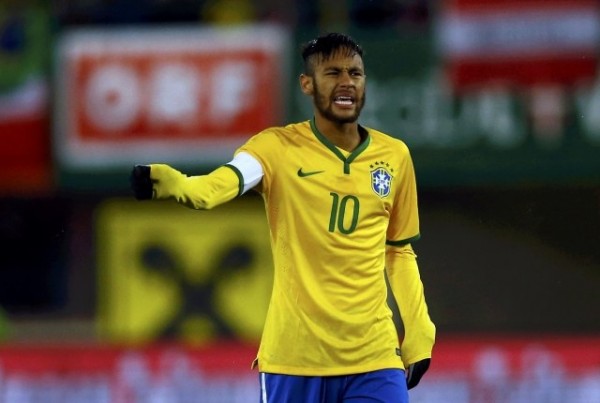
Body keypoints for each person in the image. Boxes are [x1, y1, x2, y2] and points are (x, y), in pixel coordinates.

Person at [130, 32, 435, 402]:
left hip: (373, 357)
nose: (346, 83)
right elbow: (217, 186)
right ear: (306, 84)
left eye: (355, 73)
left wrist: (419, 331)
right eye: (332, 73)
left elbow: (398, 251)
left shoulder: (395, 157)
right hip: (294, 359)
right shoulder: (275, 149)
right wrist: (175, 183)